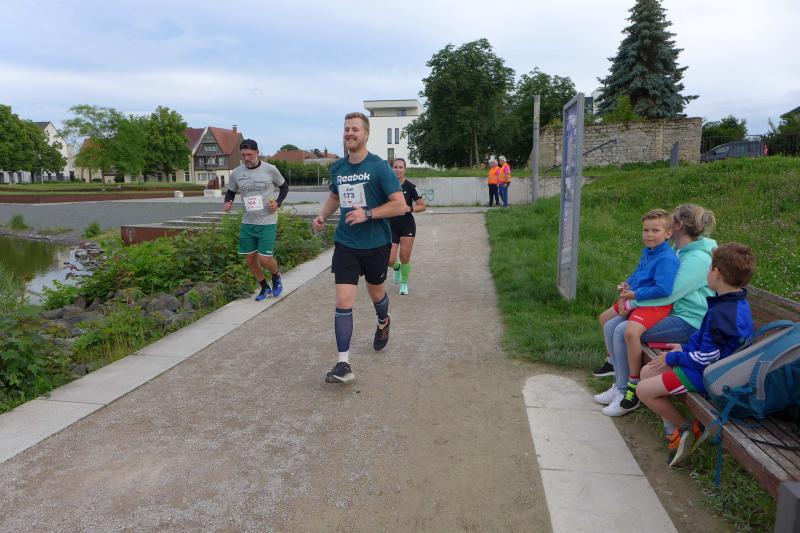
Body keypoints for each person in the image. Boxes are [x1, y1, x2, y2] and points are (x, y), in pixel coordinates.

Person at [594, 205, 717, 424]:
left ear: (677, 226)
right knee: (612, 325)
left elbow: (669, 294)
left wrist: (631, 302)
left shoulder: (697, 258)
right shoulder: (680, 250)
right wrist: (628, 293)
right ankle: (619, 386)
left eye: (671, 220)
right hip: (672, 312)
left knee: (622, 330)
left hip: (689, 321)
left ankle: (629, 393)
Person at [637, 242, 755, 466]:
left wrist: (673, 358)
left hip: (710, 376)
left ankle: (689, 428)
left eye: (709, 267)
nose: (707, 272)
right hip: (712, 367)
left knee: (643, 390)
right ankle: (674, 431)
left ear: (716, 272)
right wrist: (684, 348)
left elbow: (708, 358)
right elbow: (709, 343)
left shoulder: (723, 312)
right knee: (648, 371)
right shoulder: (731, 302)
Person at [312, 112, 407, 384]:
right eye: (346, 129)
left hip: (376, 243)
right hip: (347, 243)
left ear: (366, 134)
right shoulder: (338, 168)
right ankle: (343, 364)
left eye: (355, 129)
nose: (349, 133)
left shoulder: (379, 167)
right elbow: (335, 195)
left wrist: (368, 213)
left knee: (376, 292)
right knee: (343, 301)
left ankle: (383, 320)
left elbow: (399, 205)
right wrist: (322, 216)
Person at [594, 209, 680, 416]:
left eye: (655, 230)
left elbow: (664, 290)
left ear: (668, 234)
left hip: (654, 305)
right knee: (609, 324)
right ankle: (619, 384)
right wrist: (628, 283)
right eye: (645, 230)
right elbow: (639, 273)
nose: (649, 235)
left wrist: (634, 295)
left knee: (628, 333)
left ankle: (631, 388)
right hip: (639, 300)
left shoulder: (667, 259)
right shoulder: (648, 251)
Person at [224, 139, 289, 301]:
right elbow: (230, 191)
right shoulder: (236, 173)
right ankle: (264, 287)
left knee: (264, 259)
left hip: (267, 220)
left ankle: (276, 275)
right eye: (243, 155)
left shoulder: (270, 169)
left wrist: (278, 203)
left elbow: (284, 186)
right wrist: (228, 201)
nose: (246, 158)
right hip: (248, 221)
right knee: (250, 259)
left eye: (250, 155)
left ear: (257, 152)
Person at [387, 158, 426, 295]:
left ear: (405, 169)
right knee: (389, 260)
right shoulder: (386, 186)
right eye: (395, 167)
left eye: (400, 167)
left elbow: (422, 206)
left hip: (407, 225)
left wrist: (410, 208)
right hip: (390, 225)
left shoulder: (411, 187)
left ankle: (404, 284)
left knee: (404, 256)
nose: (397, 169)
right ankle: (397, 268)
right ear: (391, 169)